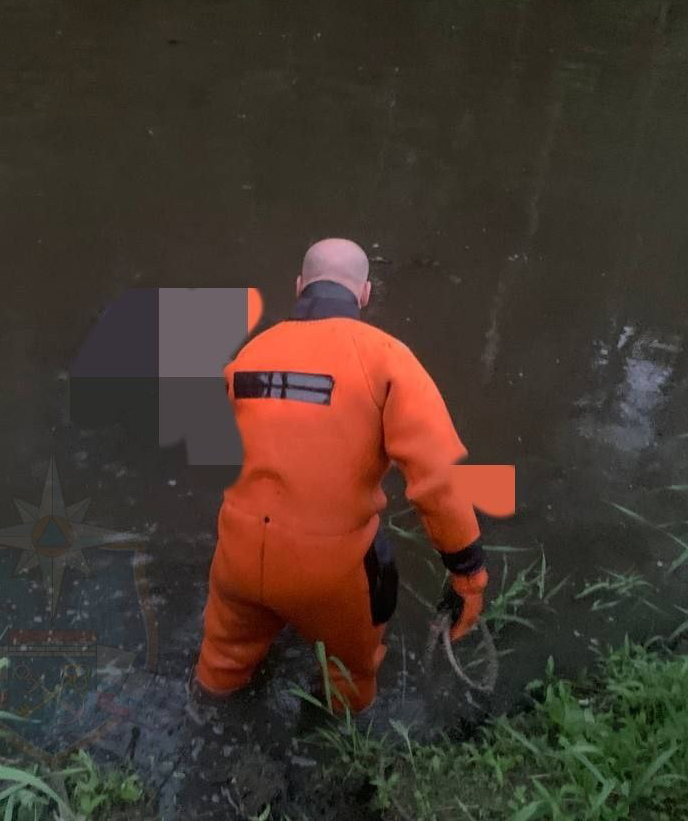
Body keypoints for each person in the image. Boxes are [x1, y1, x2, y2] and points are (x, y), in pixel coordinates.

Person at [192, 237, 489, 713]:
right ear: (365, 293)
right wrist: (468, 572)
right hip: (332, 572)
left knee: (222, 661)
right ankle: (337, 754)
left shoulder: (247, 357)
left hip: (237, 557)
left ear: (298, 286)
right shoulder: (388, 359)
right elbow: (438, 478)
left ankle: (205, 717)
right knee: (349, 678)